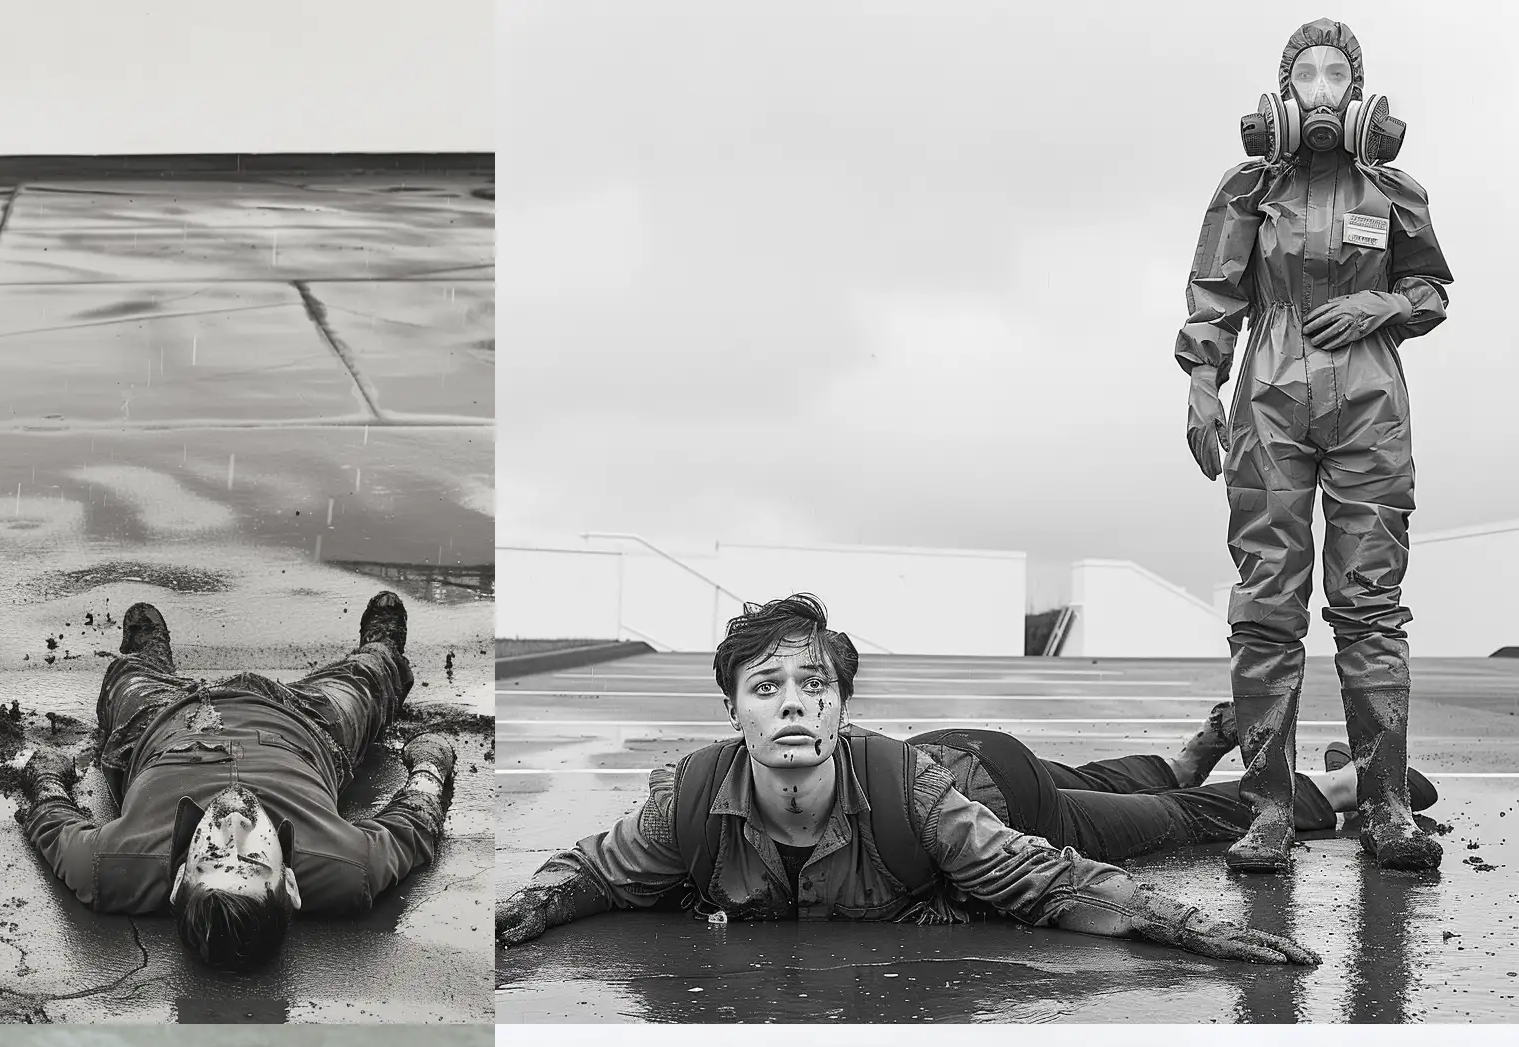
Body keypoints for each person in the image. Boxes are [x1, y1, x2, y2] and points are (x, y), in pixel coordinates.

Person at [495, 595, 1316, 968]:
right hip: (942, 765)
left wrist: (1188, 929)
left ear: (843, 708)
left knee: (1160, 817)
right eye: (766, 688)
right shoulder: (690, 806)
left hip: (1000, 790)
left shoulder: (914, 800)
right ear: (731, 709)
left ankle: (1333, 794)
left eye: (815, 687)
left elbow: (1045, 880)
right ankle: (1185, 751)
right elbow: (594, 871)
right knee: (1121, 780)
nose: (793, 707)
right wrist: (526, 908)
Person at [1179, 19, 1448, 873]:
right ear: (1284, 94)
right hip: (1269, 402)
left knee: (1370, 602)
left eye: (1339, 73)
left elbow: (1431, 287)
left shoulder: (1395, 191)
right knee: (1267, 603)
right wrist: (1199, 381)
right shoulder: (1247, 189)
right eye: (1309, 74)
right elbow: (1215, 295)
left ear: (1359, 93)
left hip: (1370, 403)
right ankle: (1266, 808)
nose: (1323, 88)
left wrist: (1386, 308)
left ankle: (1387, 805)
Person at [14, 591, 457, 971]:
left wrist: (48, 775)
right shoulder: (346, 869)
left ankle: (147, 658)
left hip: (164, 721)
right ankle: (381, 647)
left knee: (125, 680)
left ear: (178, 882)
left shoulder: (112, 867)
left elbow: (52, 824)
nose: (233, 832)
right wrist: (429, 767)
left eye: (209, 862)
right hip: (306, 724)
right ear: (289, 886)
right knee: (366, 681)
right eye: (252, 862)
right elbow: (413, 826)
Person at [910, 711, 1439, 864]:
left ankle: (1341, 787)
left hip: (990, 805)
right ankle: (1184, 763)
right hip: (950, 751)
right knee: (1089, 784)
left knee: (1173, 814)